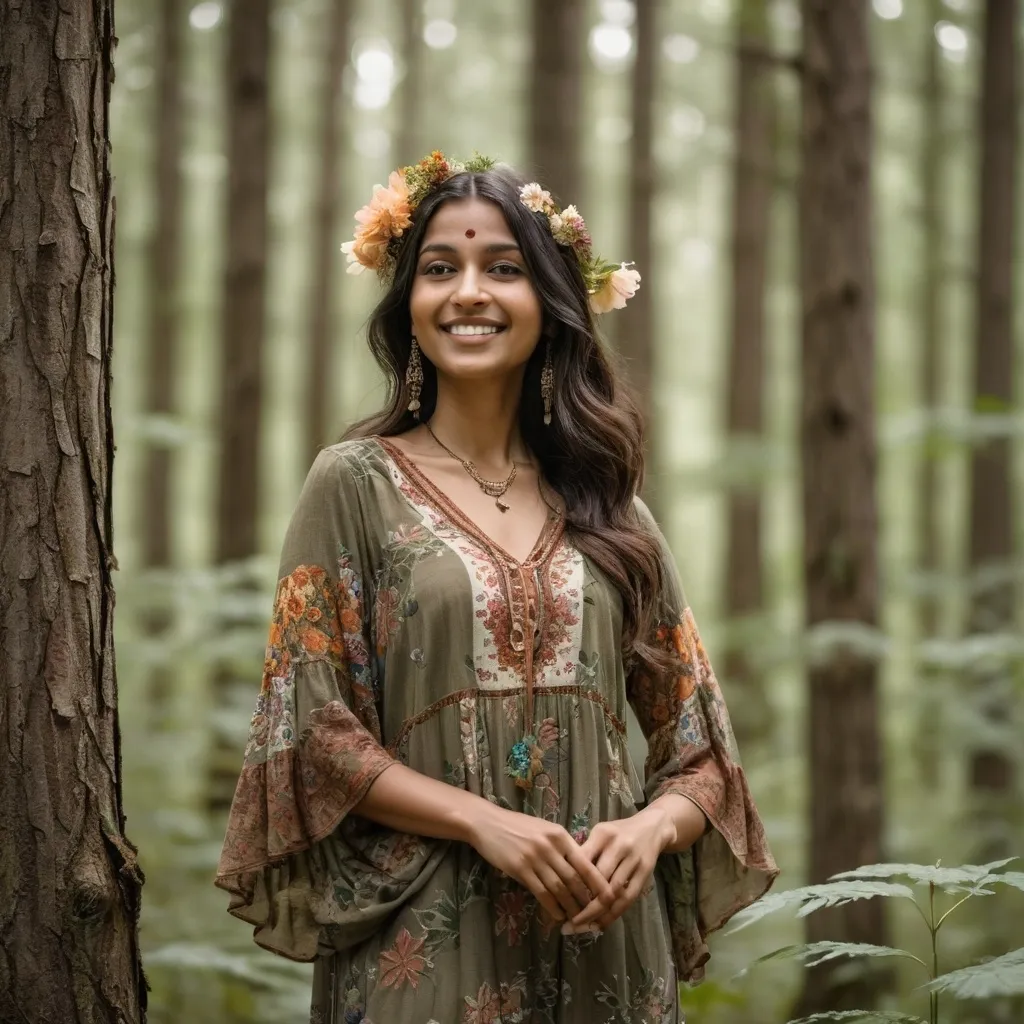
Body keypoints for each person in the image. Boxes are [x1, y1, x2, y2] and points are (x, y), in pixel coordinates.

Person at [215, 151, 778, 1024]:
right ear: (408, 303)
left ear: (550, 306)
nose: (468, 292)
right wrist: (485, 821)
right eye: (440, 268)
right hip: (424, 937)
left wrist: (649, 831)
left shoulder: (611, 505)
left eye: (503, 269)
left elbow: (701, 752)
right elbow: (313, 729)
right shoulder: (354, 483)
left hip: (608, 945)